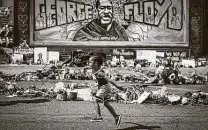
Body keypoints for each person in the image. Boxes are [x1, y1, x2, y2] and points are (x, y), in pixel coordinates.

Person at [88, 53, 125, 127]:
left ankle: (99, 116)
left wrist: (118, 86)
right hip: (102, 87)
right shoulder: (94, 70)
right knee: (106, 103)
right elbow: (99, 80)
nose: (88, 63)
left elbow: (109, 80)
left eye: (90, 62)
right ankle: (116, 117)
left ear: (96, 63)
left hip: (105, 87)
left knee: (95, 99)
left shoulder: (100, 72)